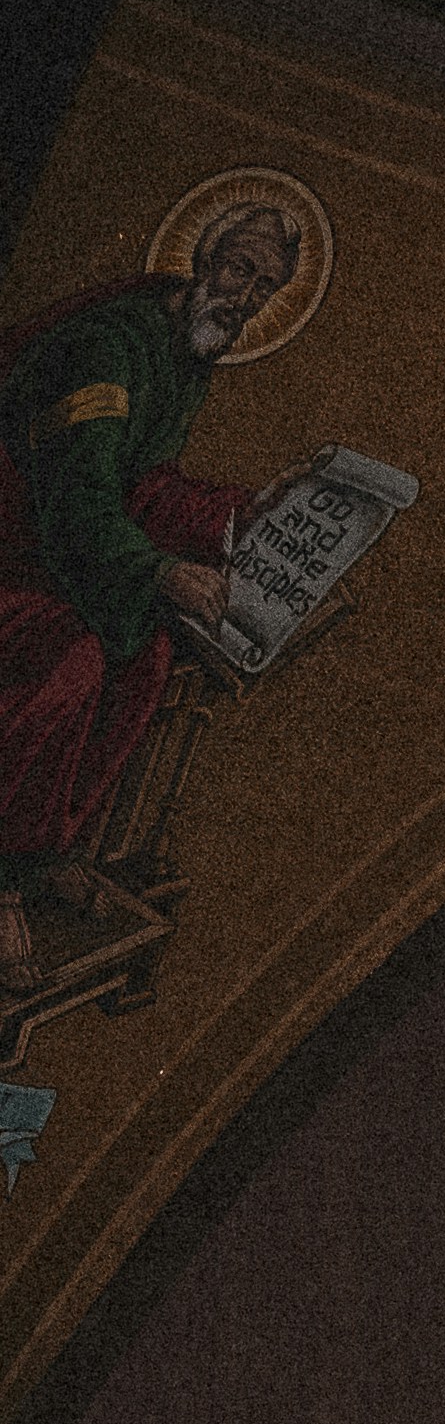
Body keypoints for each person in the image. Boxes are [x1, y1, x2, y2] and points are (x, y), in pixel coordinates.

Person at [0, 197, 299, 984]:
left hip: (57, 560)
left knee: (145, 657)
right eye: (238, 269)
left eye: (263, 288)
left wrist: (243, 509)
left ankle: (42, 846)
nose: (243, 297)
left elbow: (147, 484)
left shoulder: (180, 356)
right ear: (203, 256)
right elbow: (80, 498)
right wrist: (160, 570)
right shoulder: (107, 346)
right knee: (74, 660)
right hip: (12, 557)